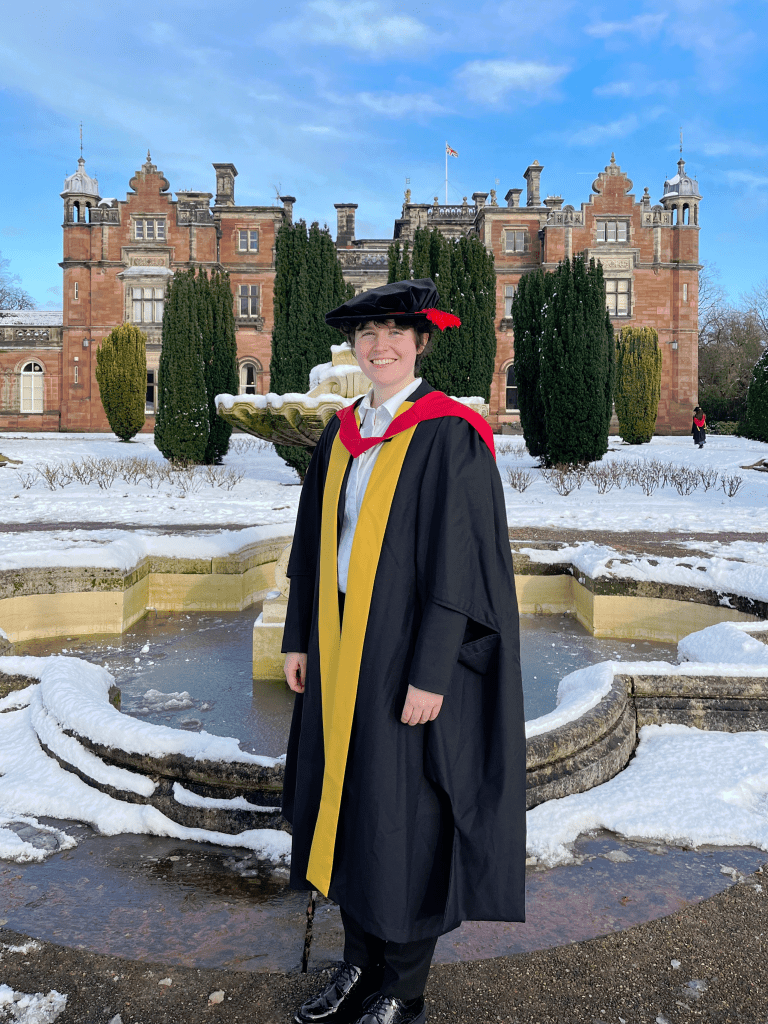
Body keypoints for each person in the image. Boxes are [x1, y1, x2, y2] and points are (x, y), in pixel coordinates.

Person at [281, 279, 526, 1024]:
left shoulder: (451, 432)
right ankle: (359, 964)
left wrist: (432, 671)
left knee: (406, 814)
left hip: (409, 654)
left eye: (394, 331)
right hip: (339, 640)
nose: (378, 344)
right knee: (350, 802)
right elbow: (312, 546)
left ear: (421, 342)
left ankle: (404, 987)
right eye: (367, 333)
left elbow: (464, 564)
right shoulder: (342, 429)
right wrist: (298, 636)